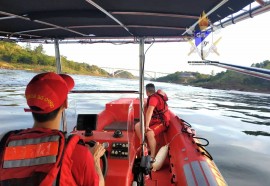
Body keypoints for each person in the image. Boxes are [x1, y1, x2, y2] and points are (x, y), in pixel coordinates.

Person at [0, 72, 105, 186]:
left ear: (30, 104)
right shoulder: (79, 153)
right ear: (65, 103)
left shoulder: (4, 142)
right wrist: (94, 160)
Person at [135, 83, 170, 164]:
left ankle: (153, 156)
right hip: (155, 120)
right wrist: (144, 105)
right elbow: (149, 108)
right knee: (137, 126)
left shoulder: (153, 99)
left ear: (146, 92)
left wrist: (147, 126)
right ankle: (144, 145)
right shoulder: (152, 97)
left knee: (150, 133)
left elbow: (149, 112)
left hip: (162, 122)